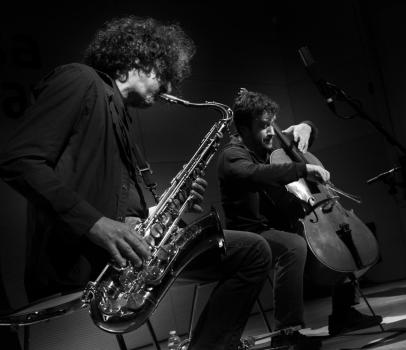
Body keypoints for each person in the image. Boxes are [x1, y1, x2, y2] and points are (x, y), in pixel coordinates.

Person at [0, 16, 271, 350]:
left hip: (118, 256)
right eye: (166, 75)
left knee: (252, 251)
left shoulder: (119, 115)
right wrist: (96, 224)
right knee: (252, 251)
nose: (169, 89)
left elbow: (113, 199)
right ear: (138, 59)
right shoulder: (79, 80)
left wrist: (164, 207)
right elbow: (18, 161)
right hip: (81, 264)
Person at [217, 88, 382, 349]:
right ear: (244, 129)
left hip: (286, 221)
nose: (271, 132)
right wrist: (302, 169)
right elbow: (258, 174)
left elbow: (302, 136)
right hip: (253, 233)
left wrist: (307, 126)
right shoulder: (232, 155)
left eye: (272, 124)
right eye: (263, 126)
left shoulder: (270, 143)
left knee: (341, 235)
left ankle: (343, 313)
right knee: (294, 245)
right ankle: (285, 333)